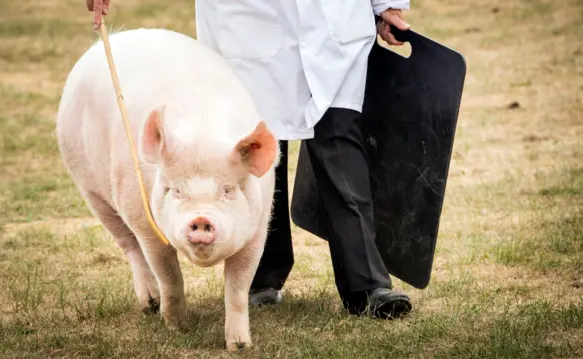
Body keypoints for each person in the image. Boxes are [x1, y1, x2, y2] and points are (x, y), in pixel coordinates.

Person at [88, 0, 413, 319]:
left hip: (335, 24)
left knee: (340, 144)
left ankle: (367, 287)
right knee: (255, 149)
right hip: (247, 27)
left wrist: (385, 4)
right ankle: (260, 276)